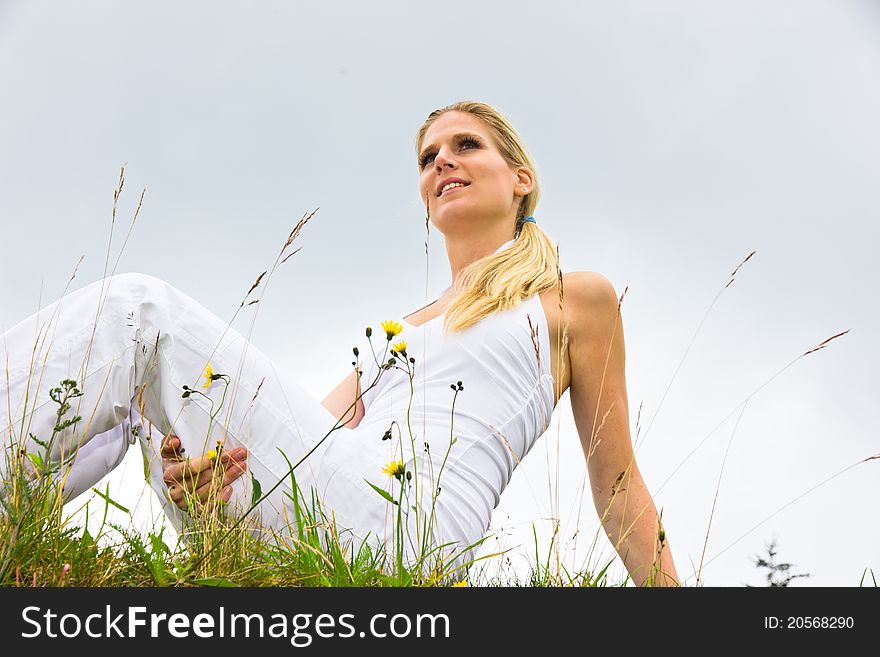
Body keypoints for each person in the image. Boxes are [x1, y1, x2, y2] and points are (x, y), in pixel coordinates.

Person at [0, 100, 679, 587]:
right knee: (146, 402)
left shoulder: (571, 298)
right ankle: (15, 522)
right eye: (427, 157)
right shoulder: (395, 332)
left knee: (138, 309)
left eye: (466, 145)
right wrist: (196, 482)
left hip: (410, 538)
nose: (442, 159)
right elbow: (313, 442)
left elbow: (617, 483)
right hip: (328, 511)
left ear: (520, 178)